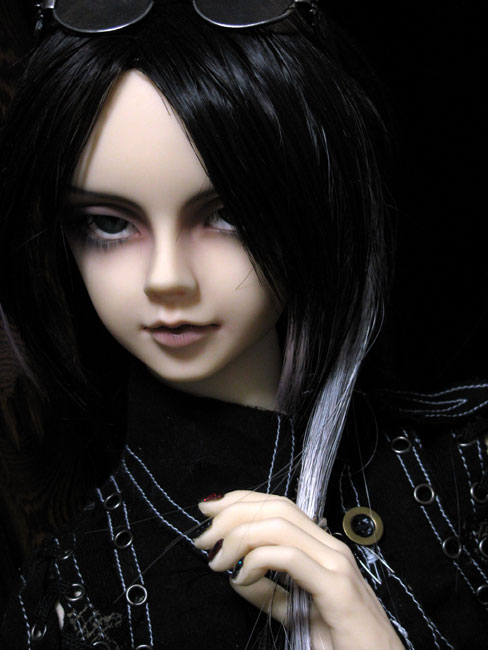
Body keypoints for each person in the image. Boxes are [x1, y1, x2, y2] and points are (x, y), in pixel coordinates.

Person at [0, 2, 486, 649]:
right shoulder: (77, 600)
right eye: (109, 224)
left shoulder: (468, 462)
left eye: (226, 214)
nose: (166, 278)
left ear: (312, 205)